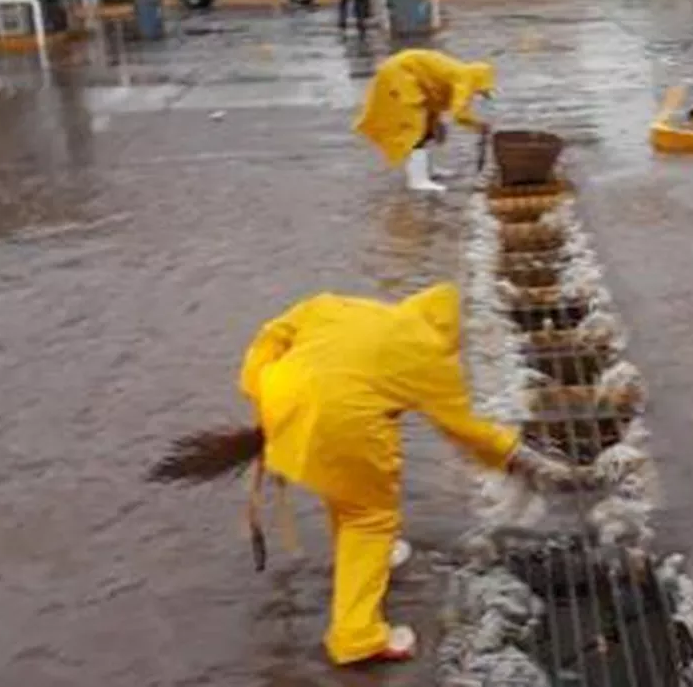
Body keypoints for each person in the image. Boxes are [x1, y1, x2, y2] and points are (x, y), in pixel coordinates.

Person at [238, 282, 576, 664]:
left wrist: (259, 385)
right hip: (342, 427)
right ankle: (357, 636)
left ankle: (364, 563)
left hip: (283, 407)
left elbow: (275, 332)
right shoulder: (430, 355)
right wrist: (516, 457)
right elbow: (464, 429)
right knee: (370, 519)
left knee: (348, 497)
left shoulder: (338, 305)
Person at [354, 49, 495, 193]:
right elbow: (459, 114)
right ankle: (418, 181)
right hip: (400, 75)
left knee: (426, 125)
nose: (479, 94)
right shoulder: (465, 80)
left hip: (408, 76)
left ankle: (427, 170)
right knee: (414, 128)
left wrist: (436, 123)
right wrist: (478, 126)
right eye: (481, 91)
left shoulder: (461, 73)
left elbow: (433, 95)